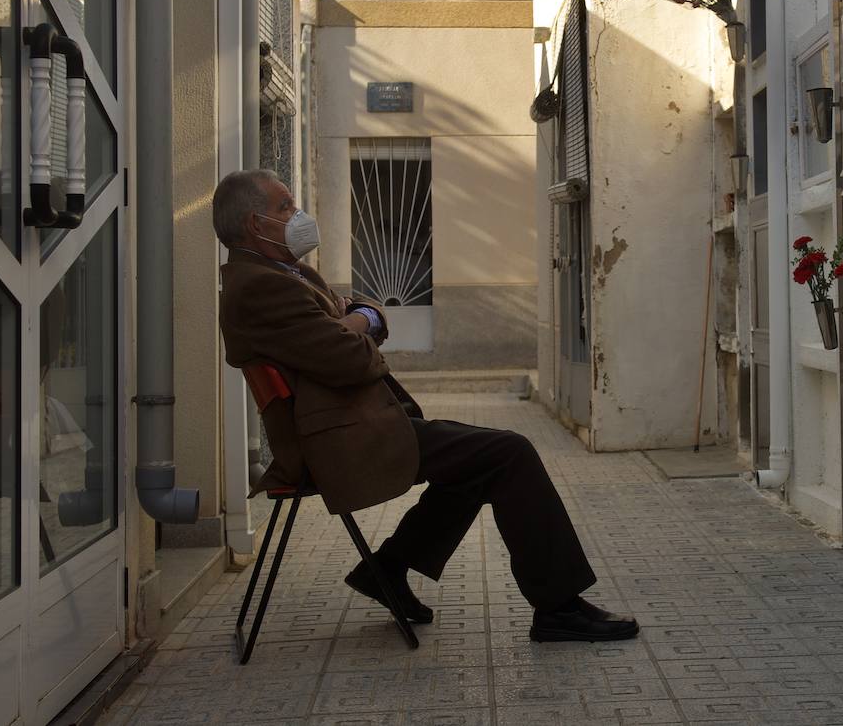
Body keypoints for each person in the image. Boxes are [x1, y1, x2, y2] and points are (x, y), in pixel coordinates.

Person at [212, 168, 637, 643]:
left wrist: (356, 318)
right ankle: (558, 608)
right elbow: (350, 359)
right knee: (509, 453)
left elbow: (362, 309)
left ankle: (387, 570)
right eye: (285, 207)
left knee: (481, 461)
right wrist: (355, 324)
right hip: (336, 442)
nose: (297, 215)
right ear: (255, 223)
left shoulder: (285, 271)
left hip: (355, 425)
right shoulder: (261, 287)